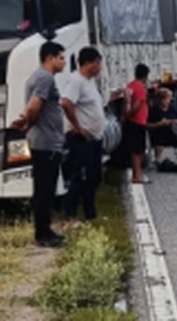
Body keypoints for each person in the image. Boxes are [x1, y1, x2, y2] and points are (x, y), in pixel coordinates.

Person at [11, 41, 67, 248]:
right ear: (50, 58)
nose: (64, 62)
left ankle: (45, 229)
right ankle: (42, 234)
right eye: (61, 58)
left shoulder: (37, 77)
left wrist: (25, 120)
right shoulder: (45, 78)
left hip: (43, 141)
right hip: (46, 143)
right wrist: (28, 121)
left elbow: (31, 106)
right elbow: (35, 105)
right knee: (45, 189)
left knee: (44, 188)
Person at [61, 47, 106, 226]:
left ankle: (90, 212)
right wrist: (78, 127)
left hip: (94, 138)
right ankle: (70, 214)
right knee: (80, 175)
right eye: (97, 63)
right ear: (88, 63)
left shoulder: (89, 81)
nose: (99, 68)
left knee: (94, 176)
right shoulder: (76, 81)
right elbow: (66, 103)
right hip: (81, 138)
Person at [122, 64, 150, 184]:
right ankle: (137, 175)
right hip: (138, 121)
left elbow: (125, 102)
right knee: (138, 150)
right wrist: (129, 115)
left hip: (131, 122)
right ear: (145, 76)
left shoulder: (129, 86)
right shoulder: (140, 88)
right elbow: (137, 105)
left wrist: (124, 115)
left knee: (135, 149)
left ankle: (136, 174)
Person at [147, 88, 177, 165]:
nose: (168, 101)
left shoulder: (172, 108)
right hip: (160, 132)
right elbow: (148, 125)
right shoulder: (154, 110)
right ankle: (157, 159)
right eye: (166, 99)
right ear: (160, 100)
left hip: (172, 131)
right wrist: (160, 124)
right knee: (158, 136)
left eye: (169, 99)